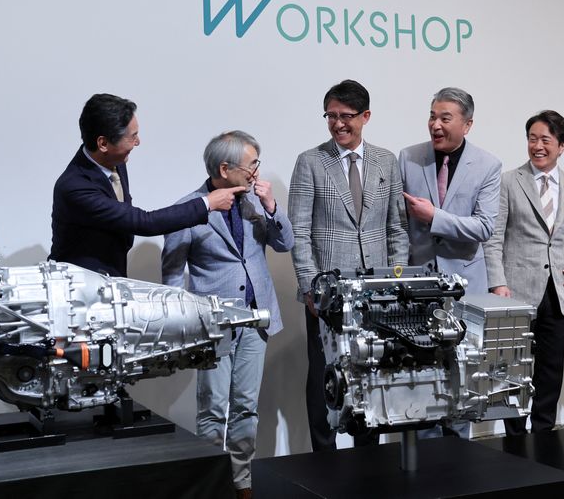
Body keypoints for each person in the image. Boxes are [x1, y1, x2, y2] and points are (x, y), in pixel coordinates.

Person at [161, 131, 292, 499]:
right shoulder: (189, 208)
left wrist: (271, 206)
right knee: (213, 409)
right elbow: (172, 273)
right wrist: (183, 322)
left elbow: (285, 243)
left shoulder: (254, 201)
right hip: (213, 326)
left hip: (257, 319)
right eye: (252, 164)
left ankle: (242, 482)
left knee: (246, 409)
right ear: (224, 168)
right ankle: (210, 484)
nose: (255, 172)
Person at [288, 79, 409, 451]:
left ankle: (368, 459)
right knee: (326, 377)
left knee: (372, 374)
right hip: (326, 297)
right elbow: (299, 231)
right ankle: (323, 460)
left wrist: (397, 280)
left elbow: (397, 228)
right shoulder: (311, 161)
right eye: (331, 116)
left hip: (376, 294)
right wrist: (310, 287)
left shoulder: (386, 160)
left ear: (366, 117)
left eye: (346, 116)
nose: (338, 124)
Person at [398, 87, 501, 439]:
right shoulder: (408, 158)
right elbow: (397, 225)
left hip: (465, 290)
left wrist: (434, 217)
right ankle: (422, 464)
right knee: (420, 376)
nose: (435, 125)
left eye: (445, 118)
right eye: (432, 116)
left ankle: (459, 457)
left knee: (462, 378)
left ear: (467, 124)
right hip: (417, 288)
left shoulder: (488, 165)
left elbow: (485, 227)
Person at [484, 110, 564, 435]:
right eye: (532, 138)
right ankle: (515, 438)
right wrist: (497, 283)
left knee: (550, 370)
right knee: (512, 370)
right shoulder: (508, 181)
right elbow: (493, 237)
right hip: (515, 292)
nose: (537, 146)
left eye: (545, 139)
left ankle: (543, 433)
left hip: (557, 293)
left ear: (562, 145)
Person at [50, 93, 241, 277]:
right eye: (132, 137)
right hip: (82, 288)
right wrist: (207, 203)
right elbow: (144, 222)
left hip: (111, 277)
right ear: (103, 144)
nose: (138, 142)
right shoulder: (75, 187)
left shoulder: (114, 161)